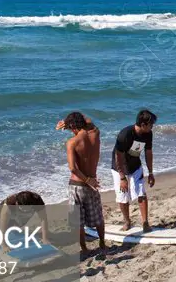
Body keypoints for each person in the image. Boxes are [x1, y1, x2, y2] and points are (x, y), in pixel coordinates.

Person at [59, 111, 105, 254]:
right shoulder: (95, 134)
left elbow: (73, 167)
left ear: (72, 126)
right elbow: (89, 120)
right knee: (98, 217)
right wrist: (90, 180)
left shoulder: (72, 142)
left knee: (77, 221)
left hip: (77, 185)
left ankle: (84, 248)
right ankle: (103, 244)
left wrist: (86, 179)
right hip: (92, 185)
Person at [111, 109, 157, 232]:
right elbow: (118, 157)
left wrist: (151, 173)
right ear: (143, 124)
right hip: (119, 168)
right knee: (123, 196)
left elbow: (148, 152)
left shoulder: (148, 134)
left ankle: (145, 223)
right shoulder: (125, 134)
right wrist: (122, 178)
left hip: (135, 166)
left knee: (141, 193)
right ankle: (127, 221)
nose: (152, 126)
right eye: (151, 124)